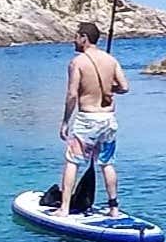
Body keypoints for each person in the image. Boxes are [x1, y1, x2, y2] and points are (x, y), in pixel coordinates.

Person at [47, 21, 127, 216]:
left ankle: (64, 208)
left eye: (76, 36)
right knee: (107, 163)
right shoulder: (111, 60)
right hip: (108, 119)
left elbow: (72, 95)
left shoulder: (77, 63)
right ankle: (113, 208)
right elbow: (124, 87)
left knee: (72, 161)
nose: (74, 40)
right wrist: (108, 89)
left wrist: (65, 122)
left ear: (84, 38)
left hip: (87, 120)